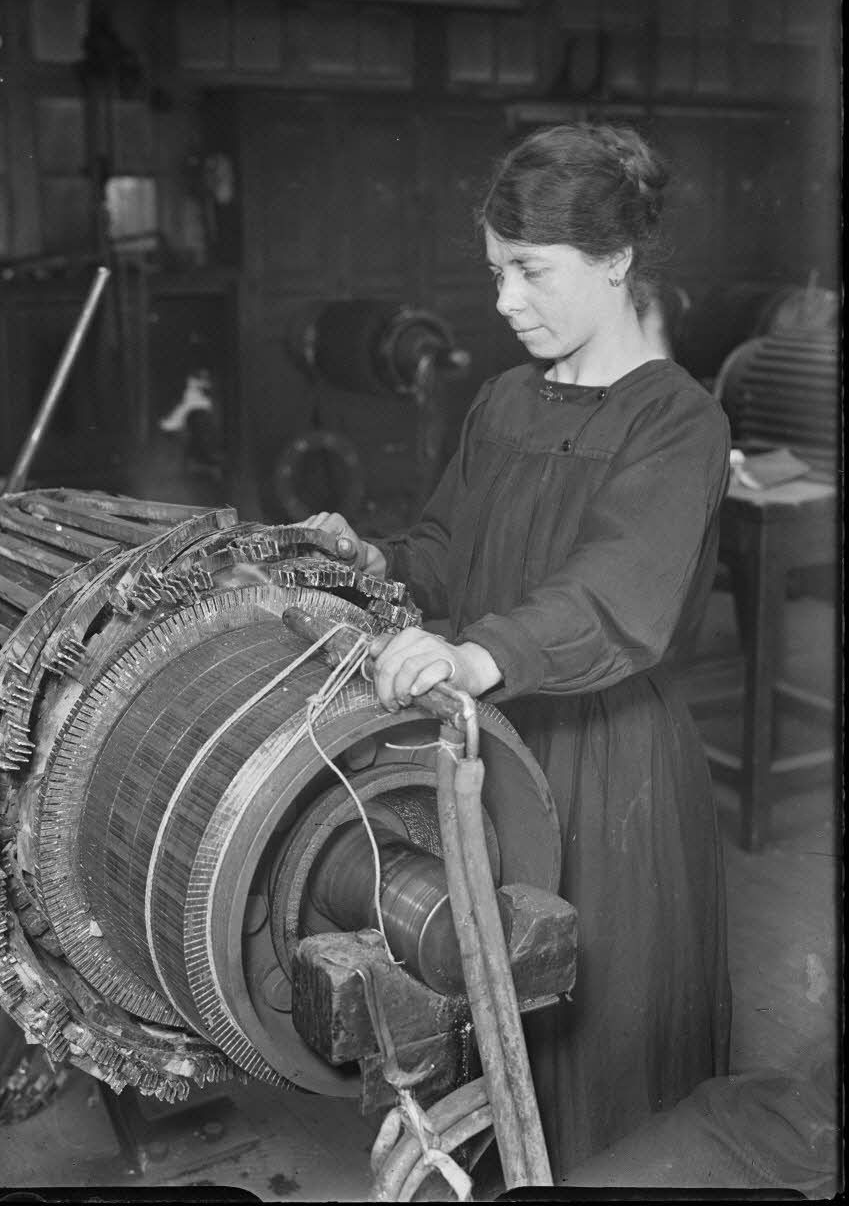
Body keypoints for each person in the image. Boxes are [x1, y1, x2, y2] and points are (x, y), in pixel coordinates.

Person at [301, 122, 733, 1178]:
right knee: (475, 996)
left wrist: (471, 656)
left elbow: (611, 598)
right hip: (482, 751)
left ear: (617, 259)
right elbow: (449, 548)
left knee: (601, 1037)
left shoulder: (677, 422)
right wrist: (365, 562)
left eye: (530, 271)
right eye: (495, 272)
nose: (504, 301)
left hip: (605, 764)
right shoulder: (503, 398)